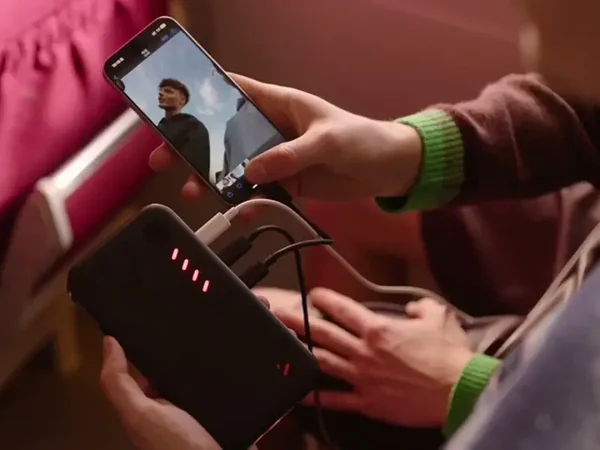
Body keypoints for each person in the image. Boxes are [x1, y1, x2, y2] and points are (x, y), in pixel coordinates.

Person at [100, 0, 600, 448]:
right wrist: (399, 152)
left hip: (531, 390)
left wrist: (462, 384)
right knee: (338, 203)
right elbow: (584, 107)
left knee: (254, 340)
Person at [157, 78, 211, 181]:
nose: (160, 94)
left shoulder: (193, 126)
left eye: (168, 91)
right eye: (160, 91)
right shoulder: (161, 124)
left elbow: (199, 172)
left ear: (182, 100)